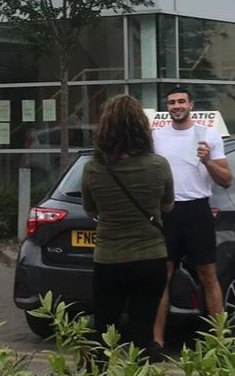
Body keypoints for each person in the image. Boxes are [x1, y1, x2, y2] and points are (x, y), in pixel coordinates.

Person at [81, 94, 174, 360]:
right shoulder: (159, 166)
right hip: (150, 257)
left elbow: (91, 210)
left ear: (105, 127)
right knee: (143, 334)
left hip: (109, 259)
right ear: (141, 127)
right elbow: (168, 206)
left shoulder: (93, 169)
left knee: (104, 333)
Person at [152, 86, 233, 348]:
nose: (176, 106)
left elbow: (227, 181)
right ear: (167, 107)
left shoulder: (207, 135)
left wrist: (208, 161)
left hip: (198, 210)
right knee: (162, 277)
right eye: (172, 102)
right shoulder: (157, 137)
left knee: (208, 275)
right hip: (168, 212)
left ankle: (220, 342)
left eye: (181, 102)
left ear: (191, 105)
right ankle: (157, 342)